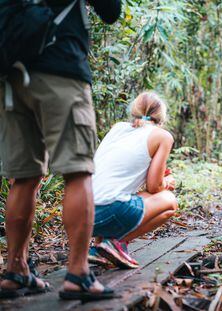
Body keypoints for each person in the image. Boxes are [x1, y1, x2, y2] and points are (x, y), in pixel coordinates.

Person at [0, 0, 121, 301]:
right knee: (77, 171)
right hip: (61, 68)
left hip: (12, 77)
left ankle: (15, 270)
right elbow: (111, 10)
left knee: (23, 176)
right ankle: (78, 274)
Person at [89, 92, 178, 269]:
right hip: (108, 212)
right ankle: (117, 242)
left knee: (117, 192)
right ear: (162, 117)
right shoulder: (162, 136)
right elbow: (154, 187)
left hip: (81, 215)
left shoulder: (118, 128)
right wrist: (167, 182)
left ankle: (98, 249)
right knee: (170, 201)